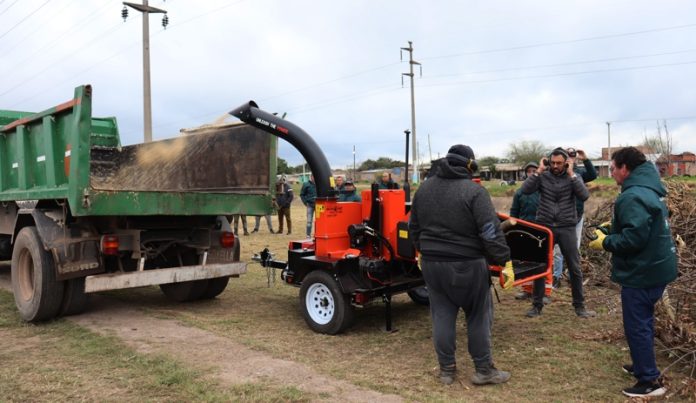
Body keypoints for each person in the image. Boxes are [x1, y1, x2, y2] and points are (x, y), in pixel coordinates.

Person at [409, 144, 513, 386]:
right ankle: (483, 370)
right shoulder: (475, 192)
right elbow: (490, 232)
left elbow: (414, 227)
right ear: (470, 165)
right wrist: (505, 261)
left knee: (442, 315)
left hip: (432, 264)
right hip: (467, 264)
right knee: (478, 315)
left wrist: (422, 250)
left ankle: (446, 370)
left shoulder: (424, 189)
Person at [589, 147, 676, 398]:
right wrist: (615, 226)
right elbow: (648, 222)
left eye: (613, 168)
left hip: (642, 272)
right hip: (658, 267)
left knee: (637, 326)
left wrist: (605, 242)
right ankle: (641, 365)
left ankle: (649, 381)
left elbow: (634, 239)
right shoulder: (650, 189)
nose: (612, 173)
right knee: (643, 322)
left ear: (625, 168)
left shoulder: (632, 195)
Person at [520, 147, 594, 318]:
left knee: (574, 267)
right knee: (540, 266)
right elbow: (525, 190)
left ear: (566, 162)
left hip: (566, 226)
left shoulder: (573, 176)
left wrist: (571, 174)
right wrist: (538, 171)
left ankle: (580, 307)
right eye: (552, 163)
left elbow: (584, 195)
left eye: (559, 163)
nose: (555, 166)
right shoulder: (543, 176)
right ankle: (537, 306)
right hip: (545, 227)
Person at [552, 147, 598, 288]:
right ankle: (556, 277)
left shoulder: (579, 173)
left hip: (577, 216)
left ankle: (573, 277)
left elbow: (593, 174)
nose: (570, 158)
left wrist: (585, 159)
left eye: (573, 155)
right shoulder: (557, 173)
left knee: (574, 249)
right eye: (568, 156)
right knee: (558, 250)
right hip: (561, 217)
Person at [509, 162, 551, 304]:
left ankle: (545, 292)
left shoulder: (544, 190)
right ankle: (527, 289)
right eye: (529, 171)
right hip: (524, 231)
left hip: (542, 231)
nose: (532, 173)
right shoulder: (520, 192)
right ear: (526, 173)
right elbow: (514, 212)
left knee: (544, 261)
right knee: (526, 261)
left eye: (535, 170)